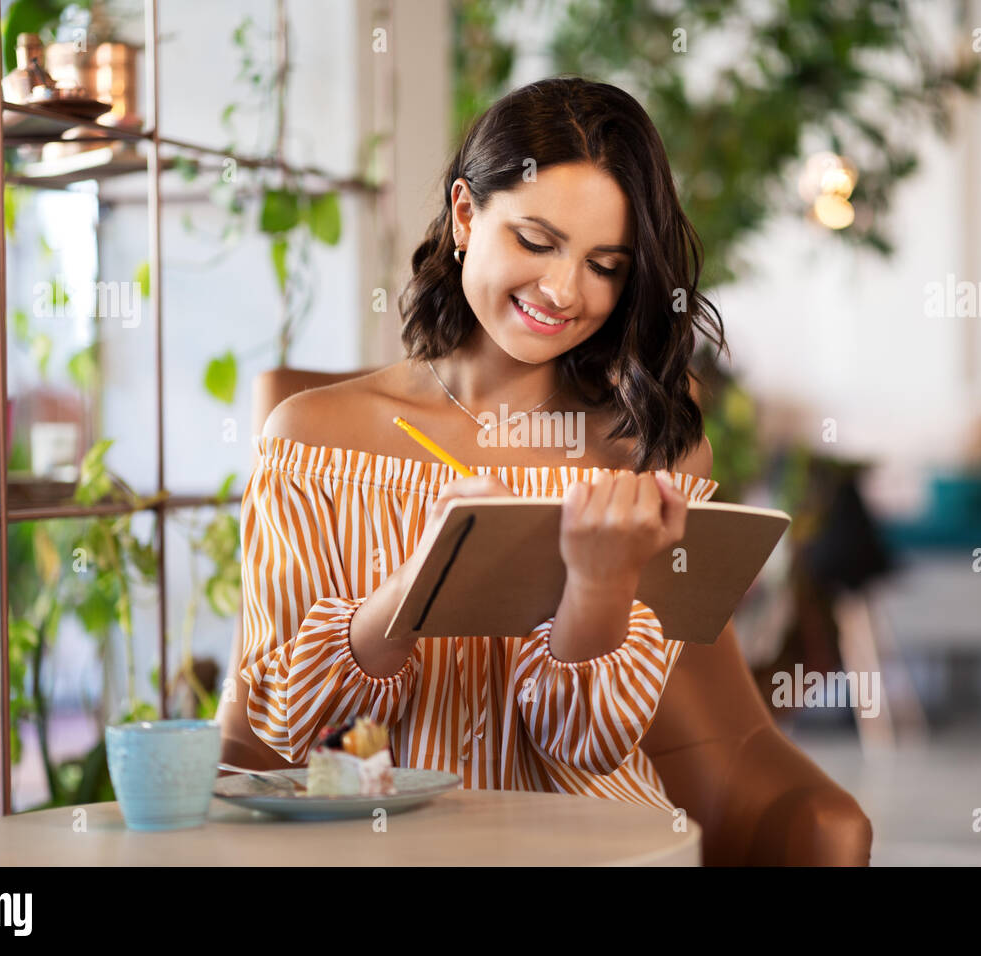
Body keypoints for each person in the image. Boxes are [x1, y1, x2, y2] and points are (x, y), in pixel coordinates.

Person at [238, 76, 727, 810]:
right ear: (465, 214)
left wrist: (599, 582)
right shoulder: (313, 438)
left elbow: (588, 744)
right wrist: (415, 586)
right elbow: (292, 727)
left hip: (590, 852)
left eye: (605, 267)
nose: (564, 291)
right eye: (536, 241)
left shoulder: (649, 442)